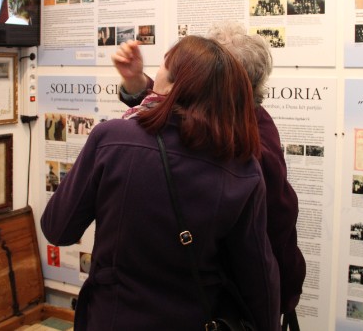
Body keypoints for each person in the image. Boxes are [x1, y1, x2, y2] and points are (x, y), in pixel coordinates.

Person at [42, 36, 280, 330]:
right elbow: (258, 275)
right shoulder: (242, 167)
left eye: (162, 66)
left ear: (174, 85)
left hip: (113, 318)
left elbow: (58, 228)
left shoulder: (111, 139)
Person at [111, 21, 306, 321]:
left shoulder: (247, 146)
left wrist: (279, 303)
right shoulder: (236, 119)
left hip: (229, 302)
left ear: (221, 81)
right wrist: (137, 82)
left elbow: (276, 230)